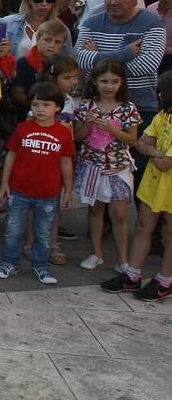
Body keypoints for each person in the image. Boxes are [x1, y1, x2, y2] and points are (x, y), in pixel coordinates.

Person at [0, 82, 74, 284]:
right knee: (13, 230)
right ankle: (9, 262)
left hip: (48, 193)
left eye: (46, 105)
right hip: (19, 191)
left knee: (44, 234)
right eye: (35, 105)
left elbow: (66, 162)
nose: (40, 110)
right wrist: (4, 183)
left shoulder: (63, 133)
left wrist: (68, 190)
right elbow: (11, 155)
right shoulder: (22, 128)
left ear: (58, 108)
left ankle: (41, 266)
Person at [103, 72, 172, 300]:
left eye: (161, 91)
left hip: (168, 188)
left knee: (169, 232)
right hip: (153, 185)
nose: (159, 95)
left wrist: (150, 151)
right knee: (143, 225)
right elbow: (142, 143)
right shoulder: (162, 116)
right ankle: (132, 275)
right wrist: (154, 151)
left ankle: (164, 280)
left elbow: (164, 163)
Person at [72, 60, 142, 271]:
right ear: (94, 81)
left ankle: (123, 260)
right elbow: (78, 136)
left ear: (122, 83)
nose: (109, 86)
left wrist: (112, 129)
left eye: (114, 81)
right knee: (95, 211)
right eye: (104, 81)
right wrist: (88, 123)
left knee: (119, 214)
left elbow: (132, 140)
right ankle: (97, 254)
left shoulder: (128, 108)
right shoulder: (86, 106)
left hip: (117, 168)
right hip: (92, 167)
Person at [75, 0, 167, 124]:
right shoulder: (91, 23)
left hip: (140, 106)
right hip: (95, 107)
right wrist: (126, 53)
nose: (113, 2)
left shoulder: (152, 23)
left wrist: (98, 59)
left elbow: (147, 65)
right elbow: (82, 59)